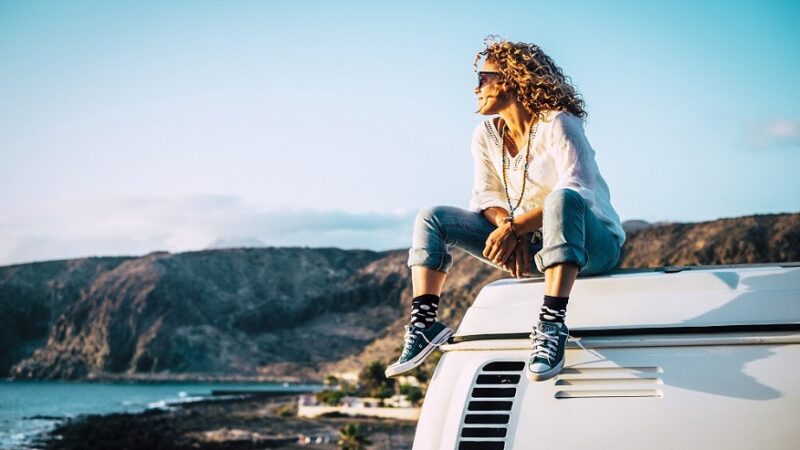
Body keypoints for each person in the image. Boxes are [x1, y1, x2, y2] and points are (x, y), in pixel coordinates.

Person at [384, 38, 625, 382]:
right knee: (432, 218)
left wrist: (514, 230)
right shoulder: (486, 134)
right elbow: (486, 197)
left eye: (483, 78)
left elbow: (579, 189)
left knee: (561, 198)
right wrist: (507, 229)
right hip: (531, 247)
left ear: (510, 79)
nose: (475, 89)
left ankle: (551, 326)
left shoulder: (559, 123)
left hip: (591, 246)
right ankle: (424, 325)